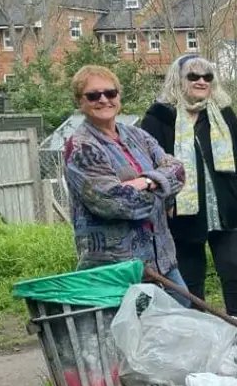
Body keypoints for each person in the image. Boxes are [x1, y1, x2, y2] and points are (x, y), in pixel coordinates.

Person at [139, 54, 237, 317]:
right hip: (182, 214)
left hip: (225, 210)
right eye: (193, 76)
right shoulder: (159, 117)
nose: (201, 81)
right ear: (179, 80)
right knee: (191, 277)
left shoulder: (222, 113)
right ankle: (196, 327)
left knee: (234, 270)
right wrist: (165, 200)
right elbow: (149, 165)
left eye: (207, 77)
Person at [63, 65, 188, 293]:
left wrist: (147, 182)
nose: (103, 100)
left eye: (110, 93)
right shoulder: (82, 147)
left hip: (162, 259)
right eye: (93, 95)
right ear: (80, 101)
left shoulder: (137, 135)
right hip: (117, 270)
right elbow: (115, 203)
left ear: (119, 96)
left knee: (180, 309)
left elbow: (179, 171)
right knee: (132, 326)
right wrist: (164, 188)